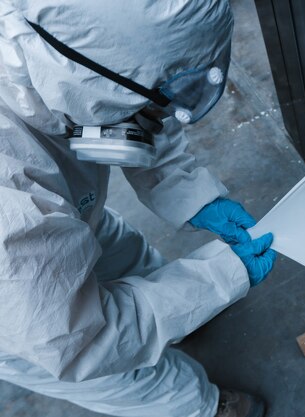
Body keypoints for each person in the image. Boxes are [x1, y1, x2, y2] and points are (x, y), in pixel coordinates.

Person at [0, 1, 275, 416]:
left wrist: (188, 190)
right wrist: (222, 278)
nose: (159, 108)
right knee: (124, 373)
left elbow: (132, 104)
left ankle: (182, 322)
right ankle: (204, 408)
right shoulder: (10, 198)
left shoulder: (59, 53)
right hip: (26, 313)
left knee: (128, 257)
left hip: (65, 209)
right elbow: (84, 342)